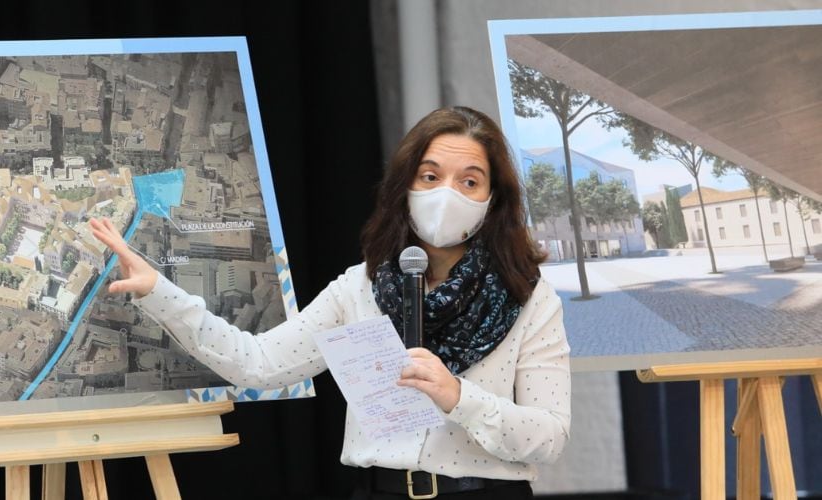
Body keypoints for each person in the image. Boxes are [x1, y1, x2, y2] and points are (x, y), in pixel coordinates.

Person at [89, 106, 570, 499]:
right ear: (405, 186)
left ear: (492, 198)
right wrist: (158, 290)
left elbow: (549, 437)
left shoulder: (528, 296)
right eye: (430, 176)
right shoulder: (360, 287)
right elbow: (256, 363)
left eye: (469, 181)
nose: (446, 194)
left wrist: (459, 397)